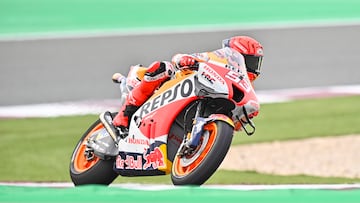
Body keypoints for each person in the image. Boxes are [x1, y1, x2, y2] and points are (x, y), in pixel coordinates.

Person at [100, 36, 264, 139]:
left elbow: (235, 126)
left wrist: (244, 115)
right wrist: (187, 61)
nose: (253, 67)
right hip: (174, 84)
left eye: (256, 62)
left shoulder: (246, 87)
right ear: (235, 55)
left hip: (197, 111)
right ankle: (123, 116)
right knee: (163, 67)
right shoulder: (216, 58)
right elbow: (180, 58)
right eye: (250, 61)